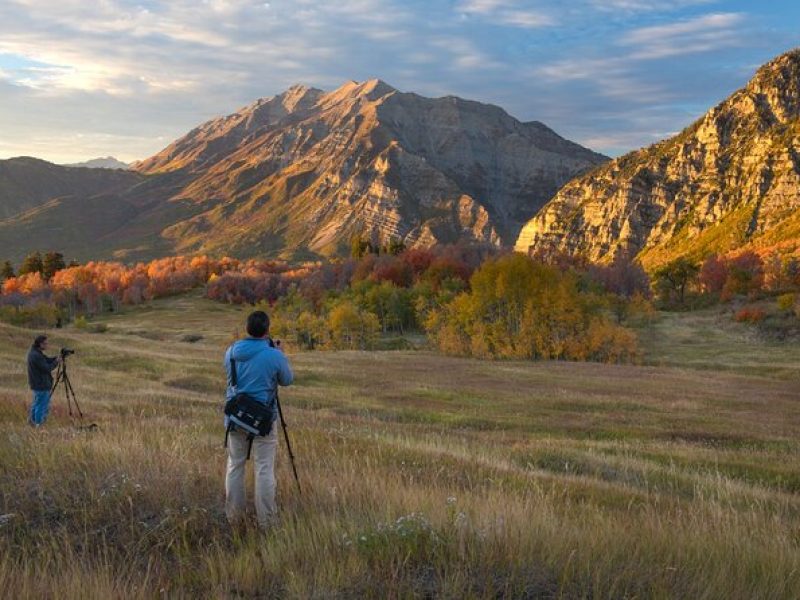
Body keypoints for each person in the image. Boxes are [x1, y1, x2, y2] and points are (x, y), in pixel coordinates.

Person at [223, 310, 293, 529]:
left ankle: (234, 516)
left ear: (247, 329)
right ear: (267, 330)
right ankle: (267, 522)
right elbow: (287, 380)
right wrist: (280, 353)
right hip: (263, 419)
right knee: (264, 467)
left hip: (236, 418)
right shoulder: (274, 355)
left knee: (235, 465)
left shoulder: (231, 352)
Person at [27, 335, 60, 426]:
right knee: (41, 406)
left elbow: (46, 360)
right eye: (45, 344)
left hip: (37, 384)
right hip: (41, 384)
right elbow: (47, 368)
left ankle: (32, 422)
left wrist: (56, 358)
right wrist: (56, 362)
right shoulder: (36, 355)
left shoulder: (35, 353)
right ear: (40, 344)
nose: (47, 345)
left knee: (37, 403)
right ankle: (38, 424)